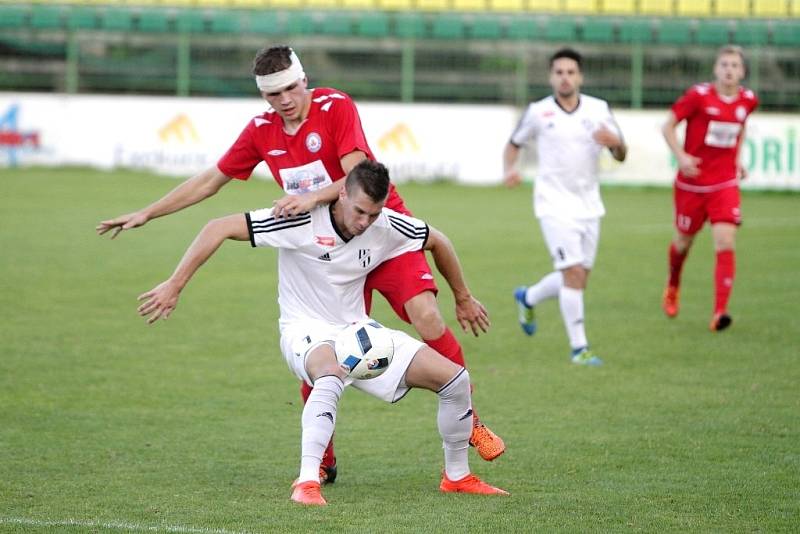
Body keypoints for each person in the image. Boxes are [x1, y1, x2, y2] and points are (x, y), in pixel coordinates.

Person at [96, 46, 505, 479]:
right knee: (321, 346)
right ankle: (322, 458)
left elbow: (357, 173)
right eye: (275, 94)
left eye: (291, 88)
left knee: (427, 317)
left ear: (304, 80)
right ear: (264, 96)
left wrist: (310, 197)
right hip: (324, 251)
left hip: (379, 236)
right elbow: (210, 181)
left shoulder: (335, 106)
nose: (286, 100)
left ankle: (470, 418)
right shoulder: (261, 131)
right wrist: (148, 212)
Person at [136, 160, 508, 505]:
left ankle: (457, 477)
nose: (365, 222)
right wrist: (174, 284)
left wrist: (463, 296)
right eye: (360, 211)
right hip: (303, 330)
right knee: (327, 375)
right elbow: (217, 227)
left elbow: (438, 239)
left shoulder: (386, 225)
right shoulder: (297, 221)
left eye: (373, 213)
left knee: (455, 380)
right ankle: (307, 481)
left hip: (357, 330)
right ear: (342, 192)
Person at [502, 47, 627, 366]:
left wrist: (614, 143)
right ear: (551, 76)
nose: (565, 77)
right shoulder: (539, 111)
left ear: (580, 76)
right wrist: (509, 170)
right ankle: (579, 348)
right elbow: (514, 144)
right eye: (559, 72)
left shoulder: (598, 109)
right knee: (572, 273)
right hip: (553, 204)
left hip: (589, 205)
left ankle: (527, 297)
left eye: (571, 72)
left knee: (577, 277)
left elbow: (621, 153)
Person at [661, 46, 758, 332]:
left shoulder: (749, 100)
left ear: (742, 72)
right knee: (683, 242)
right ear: (716, 69)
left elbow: (740, 128)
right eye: (724, 64)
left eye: (735, 66)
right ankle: (673, 283)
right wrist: (681, 156)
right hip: (692, 184)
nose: (729, 70)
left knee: (725, 241)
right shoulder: (698, 97)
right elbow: (667, 126)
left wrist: (737, 161)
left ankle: (720, 312)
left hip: (725, 184)